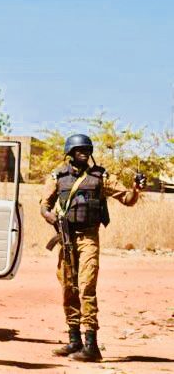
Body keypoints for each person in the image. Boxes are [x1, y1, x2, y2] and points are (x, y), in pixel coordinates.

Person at [40, 134, 145, 362]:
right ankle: (74, 339)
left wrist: (136, 188)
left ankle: (91, 344)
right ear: (70, 152)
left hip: (88, 238)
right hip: (66, 239)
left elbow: (127, 199)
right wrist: (53, 219)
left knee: (86, 286)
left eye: (87, 149)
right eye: (79, 149)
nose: (84, 153)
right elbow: (44, 205)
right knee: (69, 287)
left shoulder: (100, 177)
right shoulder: (58, 176)